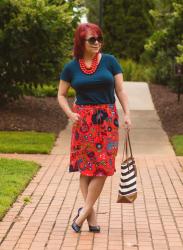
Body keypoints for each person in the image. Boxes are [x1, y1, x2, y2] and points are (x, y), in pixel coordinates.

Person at [57, 23, 131, 233]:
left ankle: (83, 212)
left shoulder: (110, 61)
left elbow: (121, 90)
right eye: (92, 39)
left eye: (99, 38)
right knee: (87, 168)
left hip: (107, 120)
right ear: (81, 42)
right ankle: (91, 216)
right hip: (83, 121)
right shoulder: (71, 67)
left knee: (104, 167)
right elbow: (61, 95)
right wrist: (70, 114)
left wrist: (128, 114)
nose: (97, 42)